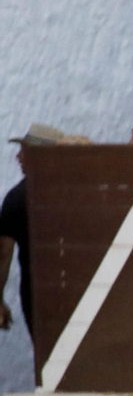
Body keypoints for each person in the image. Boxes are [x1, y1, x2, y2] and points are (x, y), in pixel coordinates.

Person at [0, 123, 64, 346]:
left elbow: (3, 252)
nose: (18, 157)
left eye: (24, 151)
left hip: (38, 294)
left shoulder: (18, 198)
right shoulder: (75, 192)